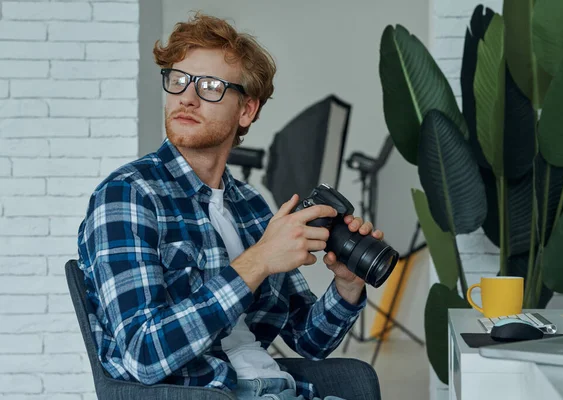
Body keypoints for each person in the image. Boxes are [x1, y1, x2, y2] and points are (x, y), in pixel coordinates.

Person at [77, 12, 385, 400]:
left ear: (247, 110)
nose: (187, 97)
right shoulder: (128, 196)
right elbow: (144, 354)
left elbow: (309, 340)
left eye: (209, 86)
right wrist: (257, 262)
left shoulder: (250, 205)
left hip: (282, 389)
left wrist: (346, 283)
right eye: (178, 81)